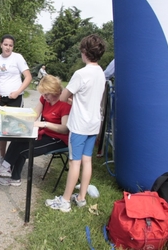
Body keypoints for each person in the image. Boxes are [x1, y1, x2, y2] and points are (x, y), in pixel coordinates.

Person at [45, 34, 106, 212]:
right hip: (94, 124)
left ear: (84, 52)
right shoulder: (100, 73)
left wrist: (68, 95)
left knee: (75, 162)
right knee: (87, 161)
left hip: (79, 126)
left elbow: (63, 97)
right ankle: (81, 198)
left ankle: (64, 201)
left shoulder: (81, 74)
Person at [0, 75, 71, 186]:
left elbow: (65, 129)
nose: (44, 97)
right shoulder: (44, 99)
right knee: (18, 139)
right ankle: (6, 168)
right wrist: (15, 117)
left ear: (55, 91)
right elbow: (34, 115)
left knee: (23, 151)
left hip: (58, 139)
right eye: (43, 94)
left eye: (47, 94)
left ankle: (13, 176)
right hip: (44, 134)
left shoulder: (64, 104)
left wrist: (44, 124)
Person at [0, 34, 32, 167]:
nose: (8, 47)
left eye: (10, 45)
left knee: (14, 128)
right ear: (1, 45)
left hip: (15, 98)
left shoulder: (17, 57)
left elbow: (28, 77)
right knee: (2, 129)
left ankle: (11, 159)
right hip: (1, 98)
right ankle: (2, 157)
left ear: (13, 47)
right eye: (6, 44)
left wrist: (18, 92)